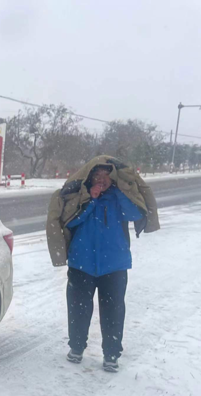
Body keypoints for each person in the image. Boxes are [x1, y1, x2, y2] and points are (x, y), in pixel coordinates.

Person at [46, 155, 158, 372]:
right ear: (89, 177)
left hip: (114, 265)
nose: (101, 179)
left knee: (113, 310)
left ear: (113, 178)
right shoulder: (82, 197)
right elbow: (71, 220)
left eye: (106, 175)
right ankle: (76, 348)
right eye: (97, 175)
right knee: (78, 309)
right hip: (81, 264)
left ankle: (111, 355)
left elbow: (134, 214)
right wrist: (91, 201)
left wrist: (118, 192)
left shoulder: (119, 197)